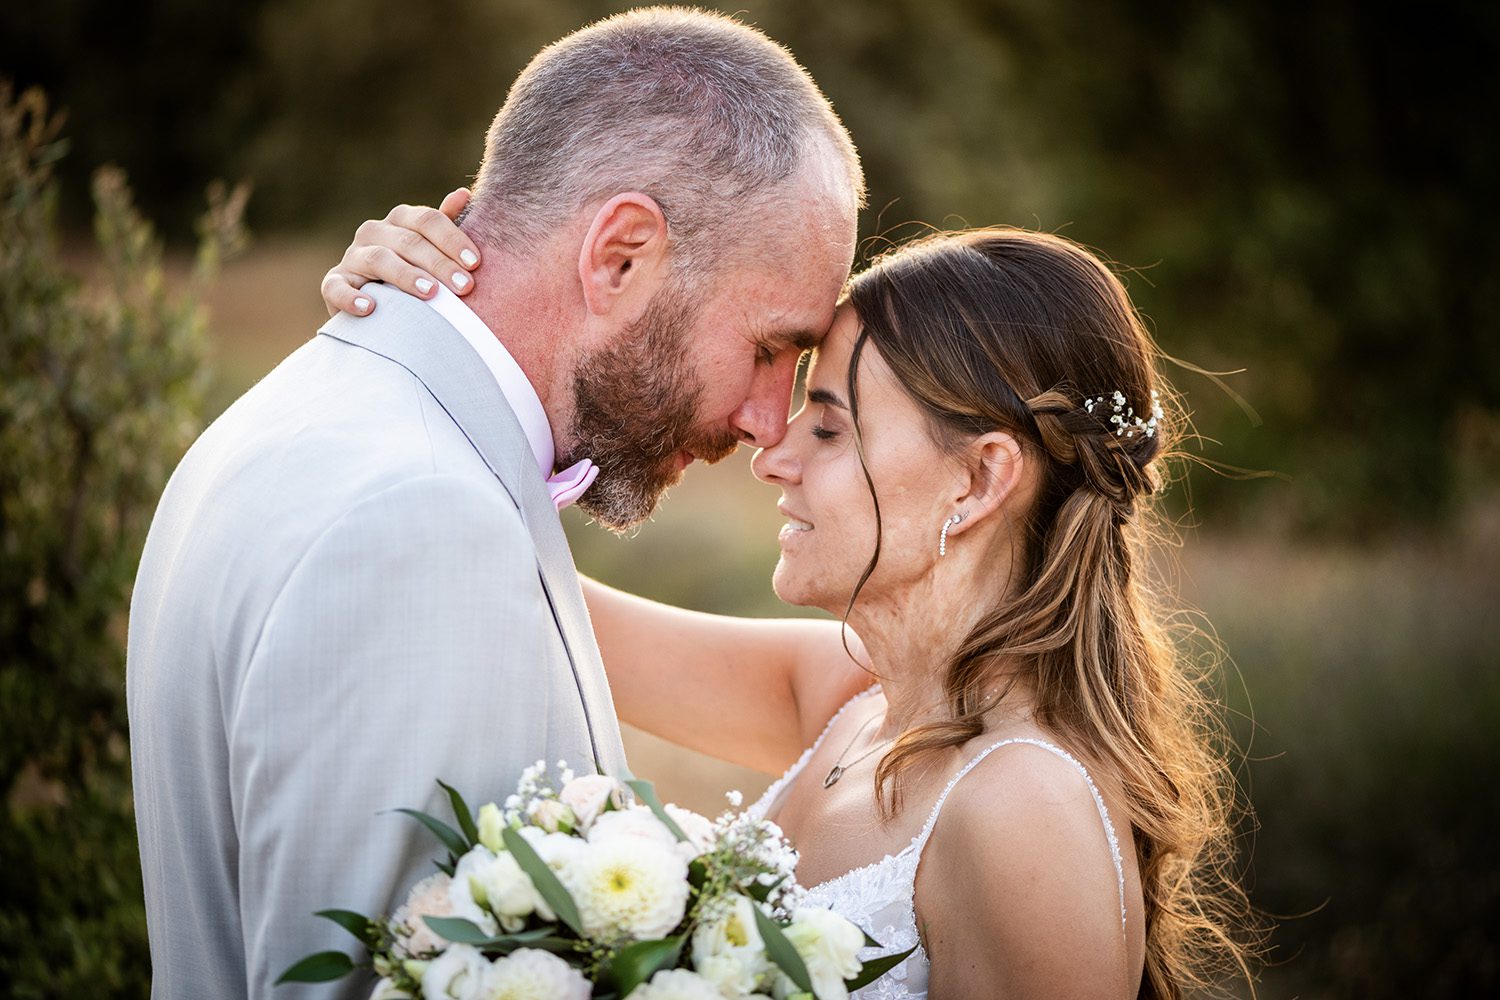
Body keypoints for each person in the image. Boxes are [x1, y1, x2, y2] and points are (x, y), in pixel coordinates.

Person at [125, 9, 863, 999]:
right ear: (621, 255)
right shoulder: (418, 523)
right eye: (773, 347)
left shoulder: (311, 415)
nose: (772, 422)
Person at [326, 220, 1256, 996]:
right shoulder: (858, 698)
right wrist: (427, 338)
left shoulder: (1022, 808)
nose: (773, 453)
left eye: (830, 426)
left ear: (979, 480)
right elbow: (526, 603)